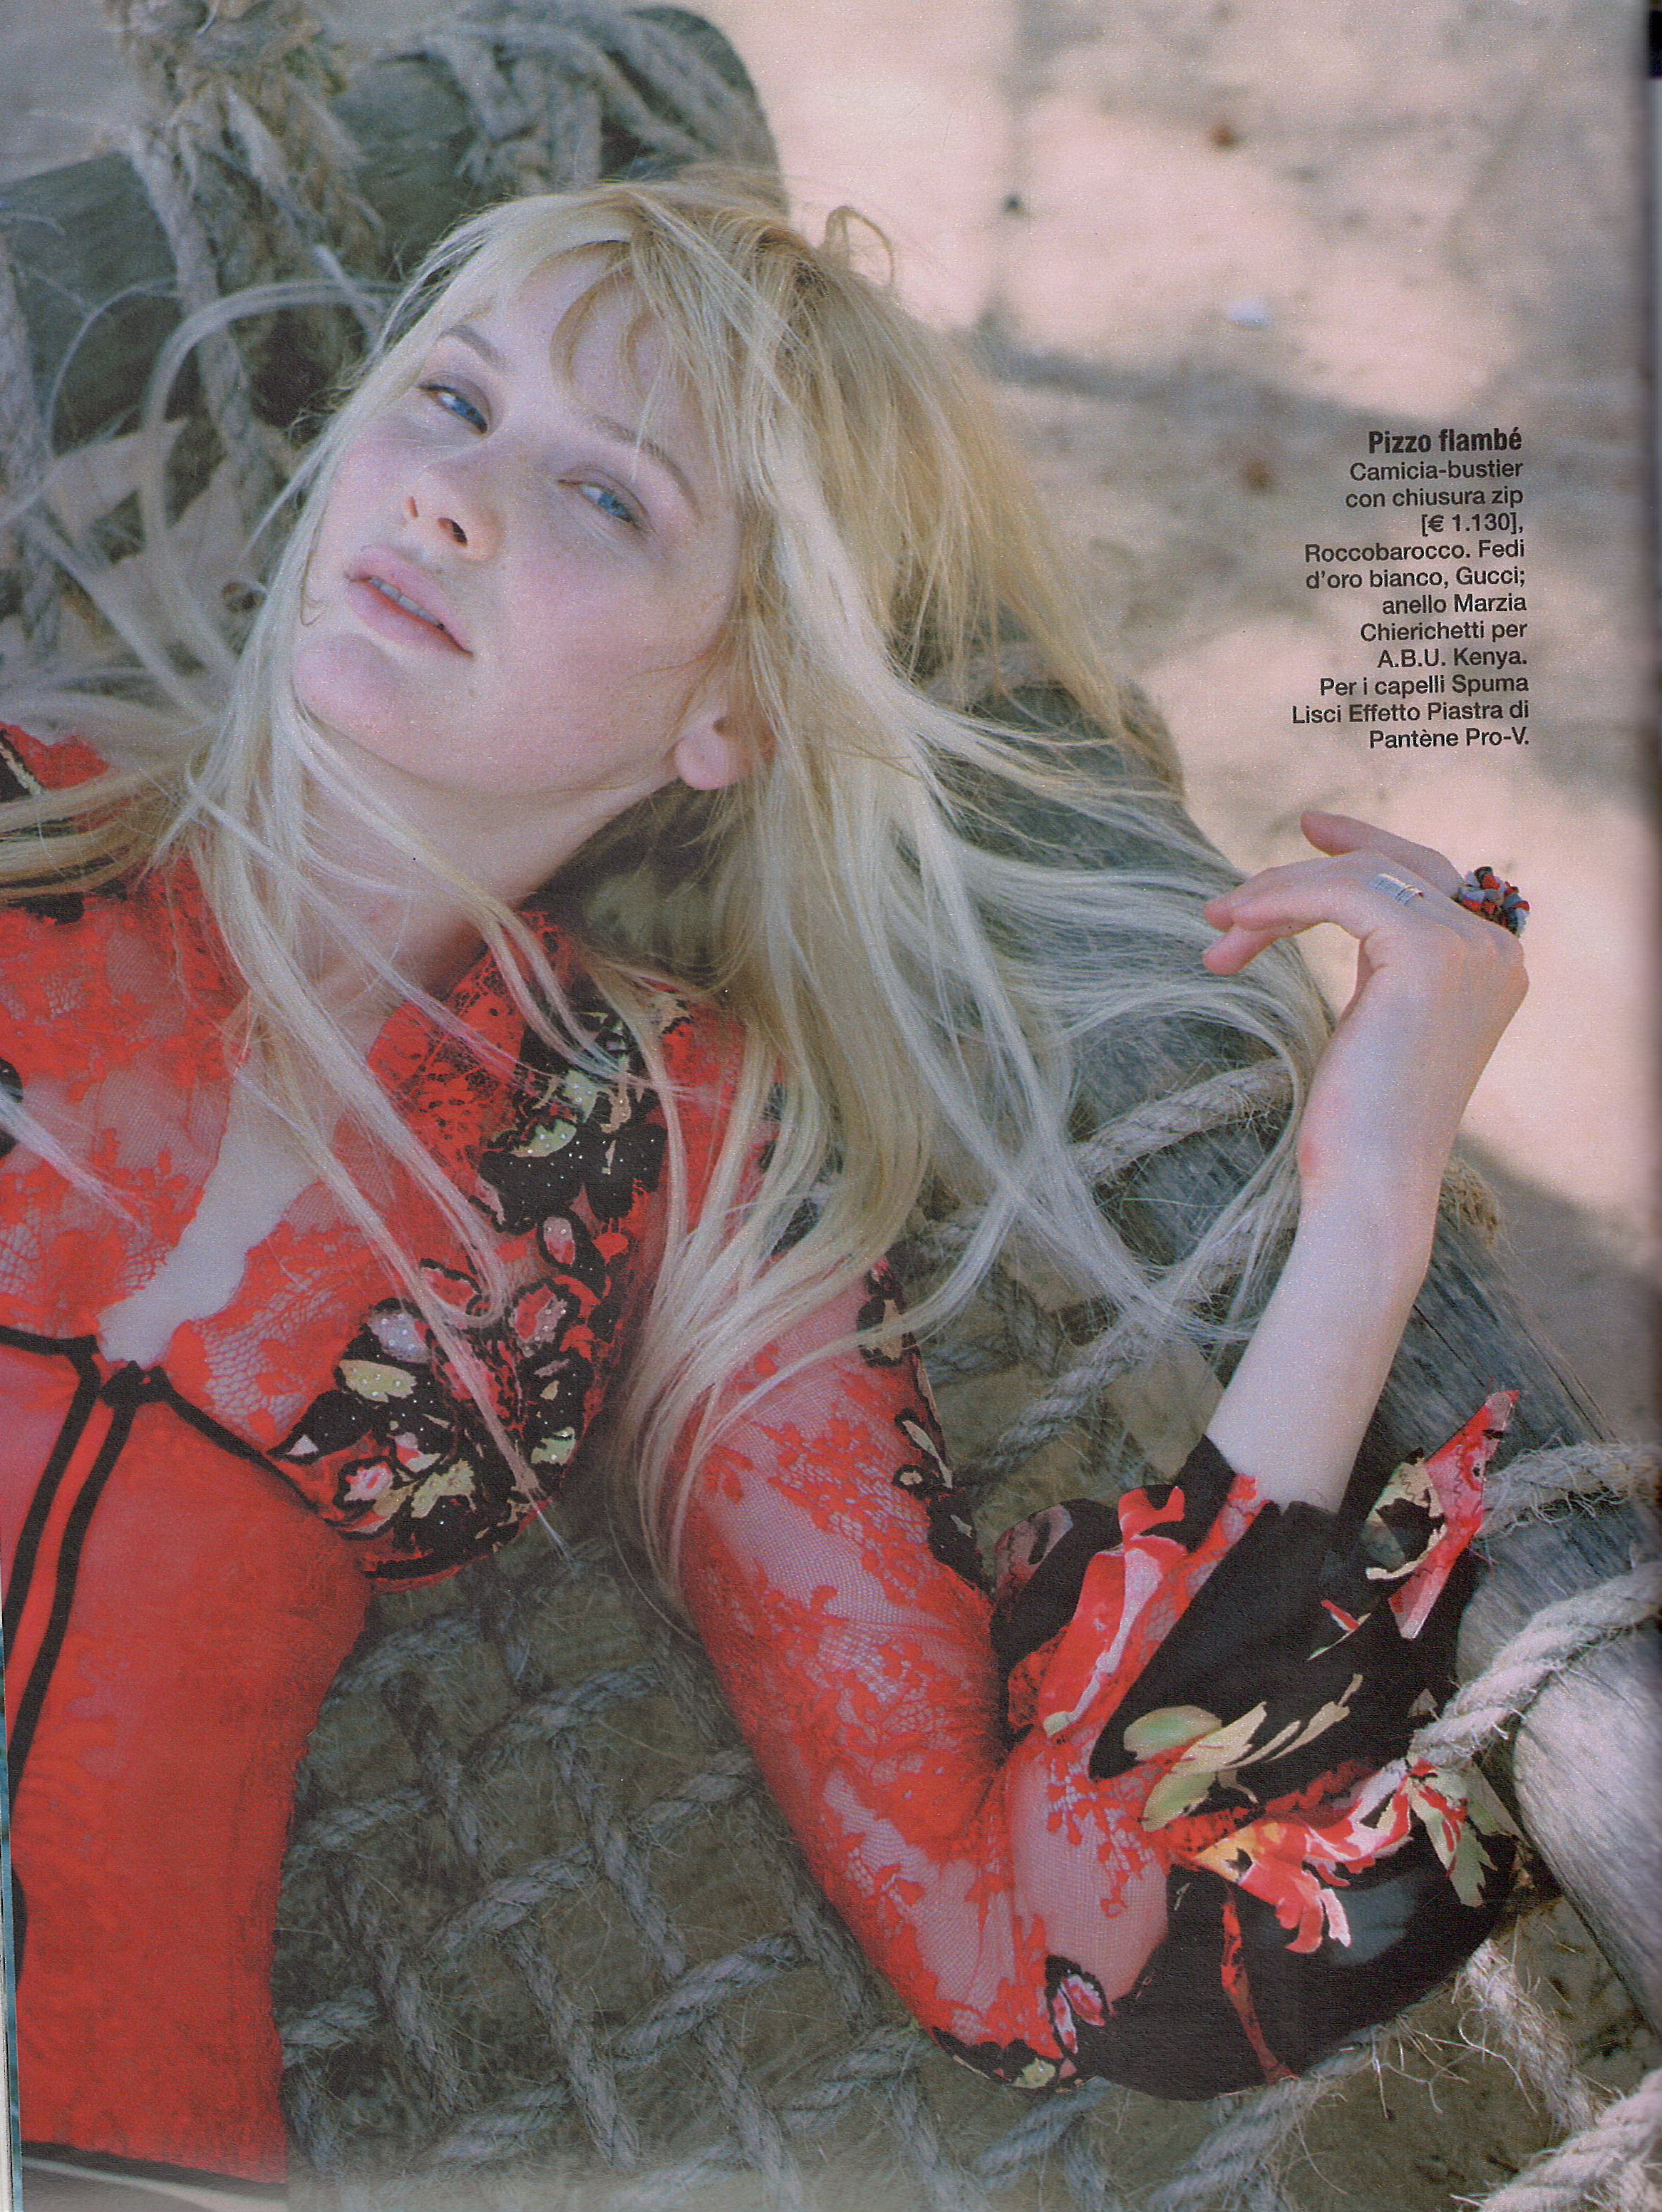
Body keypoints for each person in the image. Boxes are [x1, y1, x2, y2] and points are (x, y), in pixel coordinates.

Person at [0, 171, 1529, 2198]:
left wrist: (1373, 1202)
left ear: (734, 707)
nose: (453, 499)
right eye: (450, 400)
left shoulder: (678, 1155)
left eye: (605, 495)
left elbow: (1019, 1936)